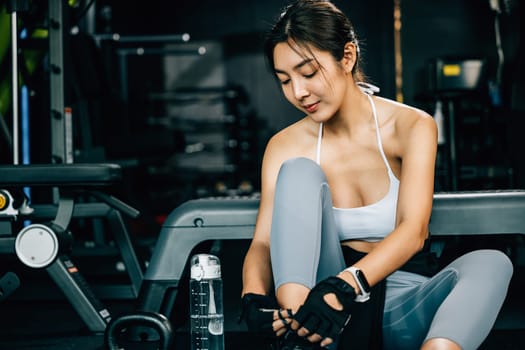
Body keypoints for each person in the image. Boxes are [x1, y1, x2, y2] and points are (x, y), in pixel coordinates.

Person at [239, 0, 513, 349]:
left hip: (389, 302)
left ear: (348, 56)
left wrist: (345, 286)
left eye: (308, 73)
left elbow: (414, 231)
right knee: (297, 171)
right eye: (285, 80)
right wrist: (252, 297)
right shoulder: (284, 145)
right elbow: (262, 243)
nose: (298, 92)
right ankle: (302, 336)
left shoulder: (411, 126)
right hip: (318, 314)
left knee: (493, 262)